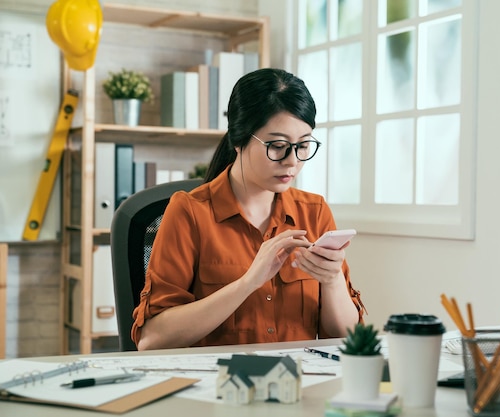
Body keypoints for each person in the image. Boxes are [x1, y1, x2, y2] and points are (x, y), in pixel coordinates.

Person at [131, 68, 366, 350]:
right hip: (216, 386)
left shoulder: (313, 211)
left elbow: (349, 339)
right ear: (239, 139)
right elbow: (152, 340)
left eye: (303, 145)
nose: (292, 161)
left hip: (297, 383)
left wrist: (331, 282)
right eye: (277, 146)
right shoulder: (189, 212)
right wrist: (248, 283)